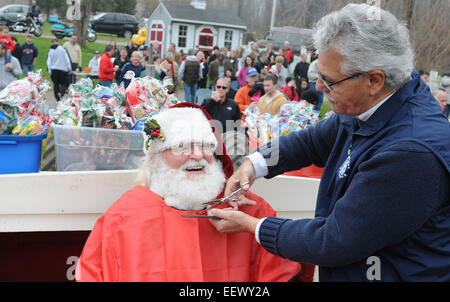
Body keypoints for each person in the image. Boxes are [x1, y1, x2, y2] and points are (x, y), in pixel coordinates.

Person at [207, 4, 450, 282]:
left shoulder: (409, 154)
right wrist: (254, 164)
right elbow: (310, 141)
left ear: (374, 79)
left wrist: (253, 226)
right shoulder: (373, 103)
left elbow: (333, 240)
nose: (319, 88)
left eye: (329, 81)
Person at [75, 103, 310, 282]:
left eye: (205, 145)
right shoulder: (123, 216)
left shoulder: (251, 210)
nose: (197, 154)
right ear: (157, 157)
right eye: (181, 146)